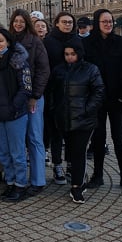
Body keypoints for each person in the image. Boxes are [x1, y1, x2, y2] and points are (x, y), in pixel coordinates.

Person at [83, 9, 122, 192]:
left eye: (110, 21)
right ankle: (97, 175)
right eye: (104, 21)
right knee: (98, 139)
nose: (108, 24)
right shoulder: (88, 44)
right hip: (96, 100)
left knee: (119, 138)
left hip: (117, 99)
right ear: (97, 23)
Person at [49, 38, 105, 203]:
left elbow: (99, 91)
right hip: (64, 118)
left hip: (83, 120)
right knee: (71, 152)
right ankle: (78, 178)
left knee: (79, 152)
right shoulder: (59, 70)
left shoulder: (90, 69)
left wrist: (87, 110)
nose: (69, 57)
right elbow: (52, 91)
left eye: (73, 54)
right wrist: (55, 109)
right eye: (66, 54)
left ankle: (76, 186)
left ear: (79, 54)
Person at [0, 27, 34, 202]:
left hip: (15, 115)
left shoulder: (18, 60)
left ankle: (20, 185)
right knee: (2, 152)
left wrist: (14, 106)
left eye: (1, 41)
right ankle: (11, 181)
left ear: (8, 42)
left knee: (17, 152)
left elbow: (26, 87)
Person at [7, 9, 50, 194]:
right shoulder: (8, 41)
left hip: (33, 98)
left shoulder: (35, 42)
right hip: (14, 96)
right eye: (15, 21)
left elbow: (43, 70)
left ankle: (38, 180)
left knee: (34, 137)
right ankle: (18, 178)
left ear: (27, 23)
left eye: (21, 21)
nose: (18, 24)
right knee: (17, 140)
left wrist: (35, 96)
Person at [43, 11, 77, 185]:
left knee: (71, 133)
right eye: (64, 22)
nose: (67, 25)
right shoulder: (49, 42)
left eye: (70, 22)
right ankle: (57, 165)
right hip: (54, 92)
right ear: (57, 23)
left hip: (74, 93)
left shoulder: (76, 40)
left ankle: (71, 164)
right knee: (56, 132)